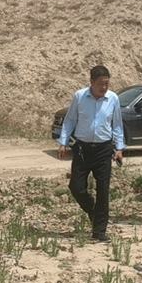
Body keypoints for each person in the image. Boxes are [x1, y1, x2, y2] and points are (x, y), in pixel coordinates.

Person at [57, 65, 125, 242]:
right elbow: (70, 120)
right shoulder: (79, 96)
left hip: (104, 150)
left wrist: (119, 148)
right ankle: (93, 210)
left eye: (107, 83)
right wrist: (63, 142)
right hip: (82, 149)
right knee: (76, 187)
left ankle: (99, 231)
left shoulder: (113, 98)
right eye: (101, 83)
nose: (104, 87)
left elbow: (117, 124)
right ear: (92, 82)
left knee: (103, 190)